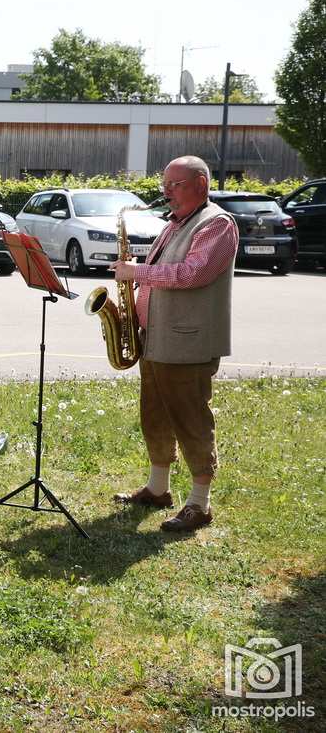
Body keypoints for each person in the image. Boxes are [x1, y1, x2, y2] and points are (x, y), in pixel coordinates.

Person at [110, 155, 238, 532]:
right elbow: (165, 270)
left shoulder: (217, 224)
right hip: (156, 338)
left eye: (174, 184)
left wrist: (138, 271)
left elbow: (194, 273)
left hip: (187, 342)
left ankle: (200, 504)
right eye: (164, 184)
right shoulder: (175, 224)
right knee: (154, 414)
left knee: (191, 419)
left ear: (201, 183)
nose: (165, 191)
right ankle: (158, 488)